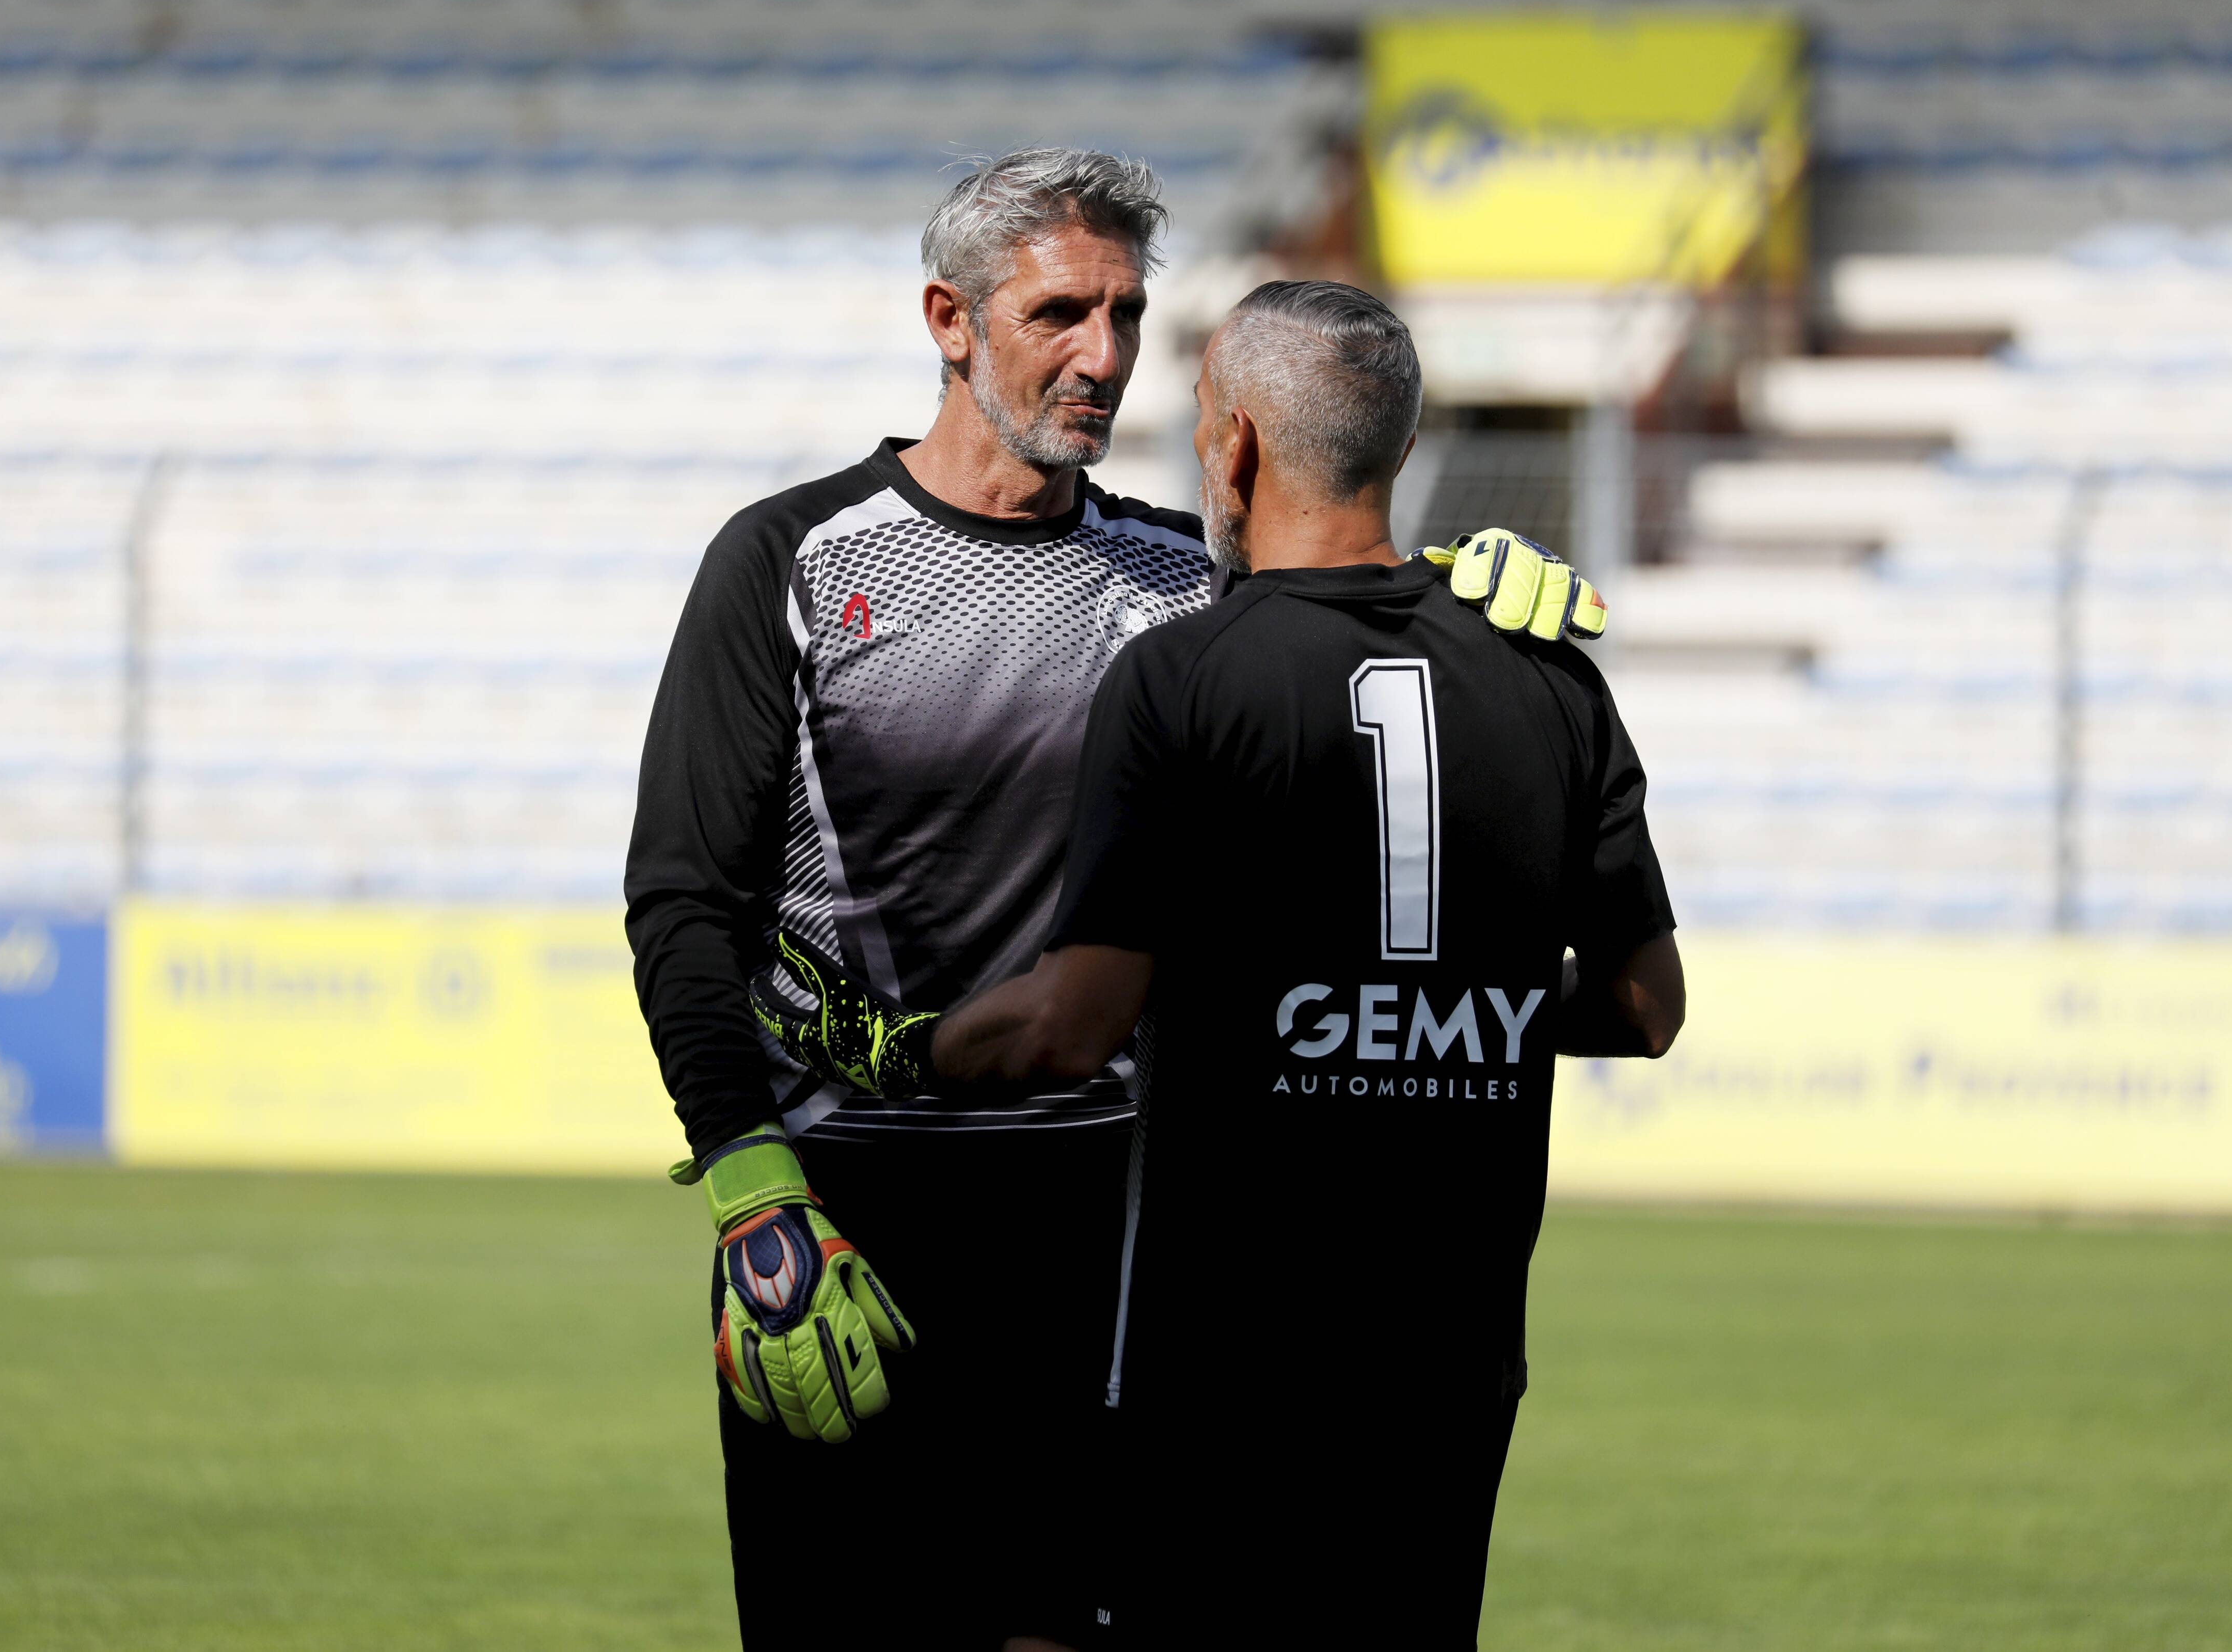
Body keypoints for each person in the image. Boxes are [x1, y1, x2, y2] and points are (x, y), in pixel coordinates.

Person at [628, 151, 1608, 1651]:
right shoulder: (794, 562)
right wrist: (751, 1187)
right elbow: (686, 902)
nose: (1103, 355)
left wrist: (1470, 584)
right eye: (1060, 314)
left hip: (1111, 1230)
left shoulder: (1180, 580)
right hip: (841, 1219)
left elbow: (1350, 618)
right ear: (951, 321)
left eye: (1130, 314)